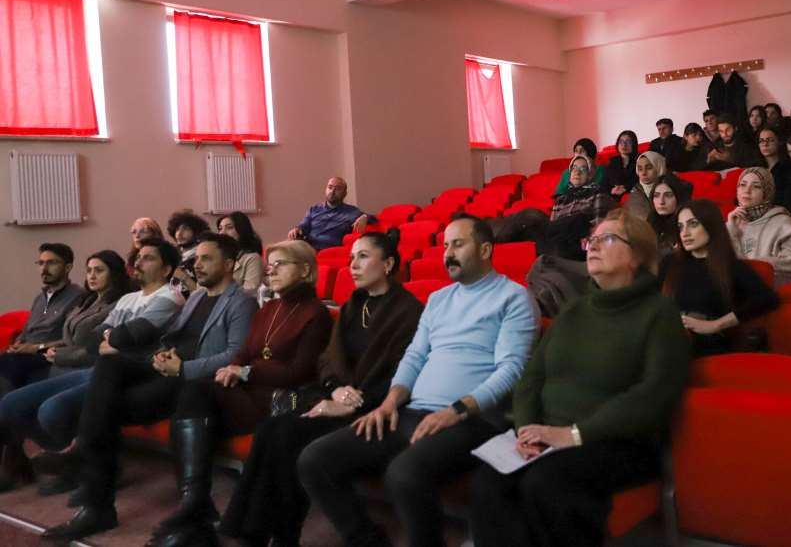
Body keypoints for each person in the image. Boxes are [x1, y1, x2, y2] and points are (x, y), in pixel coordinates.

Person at [296, 215, 538, 547]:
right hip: (412, 412)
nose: (448, 253)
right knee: (315, 459)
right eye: (445, 245)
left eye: (458, 244)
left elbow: (511, 371)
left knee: (403, 473)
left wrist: (455, 410)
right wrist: (388, 404)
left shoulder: (513, 298)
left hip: (474, 419)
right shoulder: (438, 299)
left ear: (485, 249)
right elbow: (414, 357)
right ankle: (367, 540)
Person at [470, 209, 690, 547]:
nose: (593, 246)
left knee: (546, 482)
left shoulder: (659, 314)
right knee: (489, 481)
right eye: (592, 240)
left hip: (618, 441)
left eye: (608, 239)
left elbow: (654, 394)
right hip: (547, 437)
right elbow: (532, 378)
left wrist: (573, 434)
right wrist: (527, 430)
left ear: (637, 255)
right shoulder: (574, 310)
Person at [40, 234, 257, 542]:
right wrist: (161, 353)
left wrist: (182, 368)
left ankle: (96, 500)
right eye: (196, 258)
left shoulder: (241, 301)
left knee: (104, 411)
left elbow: (233, 355)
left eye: (207, 259)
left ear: (229, 264)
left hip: (192, 380)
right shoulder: (197, 297)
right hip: (166, 368)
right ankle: (90, 467)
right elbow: (172, 336)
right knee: (110, 365)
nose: (197, 264)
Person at [219, 232, 423, 547]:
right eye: (351, 258)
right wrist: (336, 389)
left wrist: (354, 402)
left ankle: (276, 536)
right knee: (272, 429)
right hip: (338, 397)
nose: (353, 265)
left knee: (287, 435)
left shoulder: (408, 311)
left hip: (376, 406)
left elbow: (404, 372)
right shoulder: (354, 304)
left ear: (388, 264)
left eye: (363, 257)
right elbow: (329, 360)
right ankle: (254, 532)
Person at [143, 240, 330, 547]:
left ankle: (196, 508)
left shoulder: (316, 313)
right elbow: (242, 354)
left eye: (281, 264)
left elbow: (298, 372)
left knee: (196, 394)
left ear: (306, 270)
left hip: (276, 401)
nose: (271, 270)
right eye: (270, 265)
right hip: (246, 394)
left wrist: (246, 372)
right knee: (193, 392)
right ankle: (194, 504)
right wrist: (235, 368)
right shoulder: (269, 308)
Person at [0, 240, 184, 496]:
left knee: (51, 410)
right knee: (10, 404)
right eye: (138, 257)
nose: (138, 263)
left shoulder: (170, 298)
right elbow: (93, 339)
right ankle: (72, 460)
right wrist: (112, 340)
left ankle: (91, 466)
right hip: (101, 366)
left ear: (166, 269)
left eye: (148, 258)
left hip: (129, 373)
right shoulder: (128, 299)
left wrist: (111, 339)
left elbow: (127, 336)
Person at [0, 251, 127, 492]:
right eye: (89, 270)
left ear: (115, 274)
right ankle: (36, 454)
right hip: (60, 364)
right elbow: (66, 339)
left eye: (99, 270)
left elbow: (93, 348)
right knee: (9, 399)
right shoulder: (87, 301)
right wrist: (43, 348)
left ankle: (75, 462)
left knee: (40, 404)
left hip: (84, 367)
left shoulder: (118, 305)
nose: (91, 276)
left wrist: (49, 351)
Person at [664, 200, 779, 356]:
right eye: (680, 227)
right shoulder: (669, 262)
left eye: (693, 224)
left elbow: (768, 299)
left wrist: (715, 325)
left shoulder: (731, 266)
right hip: (668, 335)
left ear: (711, 226)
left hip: (704, 343)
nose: (684, 233)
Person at [0, 244, 86, 396]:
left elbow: (71, 339)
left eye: (51, 263)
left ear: (68, 267)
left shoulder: (78, 296)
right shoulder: (40, 298)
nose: (44, 268)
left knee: (7, 364)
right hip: (24, 354)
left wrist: (36, 347)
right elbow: (26, 331)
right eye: (41, 263)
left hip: (46, 355)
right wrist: (17, 344)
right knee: (7, 359)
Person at [726, 168, 791, 287]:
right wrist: (731, 230)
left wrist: (755, 265)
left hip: (769, 286)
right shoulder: (732, 221)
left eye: (756, 186)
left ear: (767, 193)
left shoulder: (782, 222)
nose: (747, 191)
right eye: (742, 185)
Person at [543, 156, 615, 261]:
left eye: (583, 169)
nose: (577, 172)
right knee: (530, 219)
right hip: (556, 245)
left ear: (590, 174)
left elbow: (599, 233)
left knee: (580, 220)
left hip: (582, 249)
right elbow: (551, 230)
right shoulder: (560, 200)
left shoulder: (599, 195)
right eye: (574, 168)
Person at [288, 177, 369, 250]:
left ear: (345, 193)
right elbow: (303, 226)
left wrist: (364, 217)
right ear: (326, 189)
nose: (332, 191)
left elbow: (373, 218)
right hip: (309, 249)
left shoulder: (351, 212)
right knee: (285, 248)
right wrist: (296, 229)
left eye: (338, 189)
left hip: (331, 251)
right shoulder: (314, 209)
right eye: (330, 187)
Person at [648, 173, 693, 262]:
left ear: (679, 197)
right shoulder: (650, 220)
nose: (661, 201)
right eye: (656, 195)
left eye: (668, 195)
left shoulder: (687, 225)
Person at [218, 212, 265, 293]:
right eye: (220, 229)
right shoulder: (220, 256)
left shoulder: (252, 258)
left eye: (229, 228)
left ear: (242, 231)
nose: (222, 233)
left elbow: (249, 293)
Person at [167, 211, 211, 297]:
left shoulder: (202, 257)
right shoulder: (173, 256)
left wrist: (183, 277)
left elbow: (205, 293)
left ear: (196, 232)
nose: (179, 233)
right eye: (177, 229)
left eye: (186, 229)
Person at [757, 127, 791, 200]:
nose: (765, 144)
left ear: (779, 142)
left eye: (770, 140)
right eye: (761, 141)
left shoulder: (789, 169)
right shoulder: (756, 167)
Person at [625, 151, 667, 219]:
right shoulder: (634, 193)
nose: (643, 173)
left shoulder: (670, 188)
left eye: (649, 168)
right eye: (640, 169)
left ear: (659, 168)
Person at [605, 130, 640, 199]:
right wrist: (611, 190)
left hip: (631, 195)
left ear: (634, 144)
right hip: (612, 196)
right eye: (621, 142)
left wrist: (626, 188)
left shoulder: (639, 160)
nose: (624, 145)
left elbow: (639, 181)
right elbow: (605, 183)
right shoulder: (612, 161)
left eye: (628, 142)